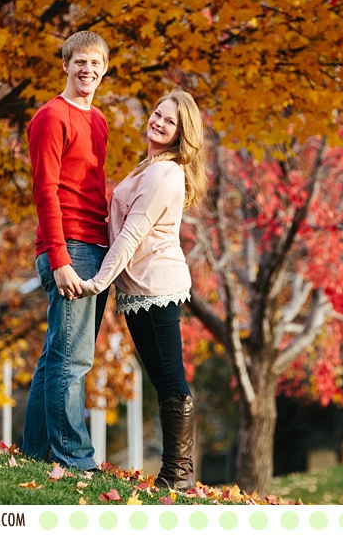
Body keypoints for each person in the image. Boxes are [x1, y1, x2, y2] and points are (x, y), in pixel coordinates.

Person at [78, 88, 208, 490]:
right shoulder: (148, 166)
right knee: (162, 378)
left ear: (181, 133)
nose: (158, 122)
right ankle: (175, 472)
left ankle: (177, 474)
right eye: (157, 113)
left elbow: (133, 233)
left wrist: (98, 282)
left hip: (156, 287)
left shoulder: (163, 173)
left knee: (170, 379)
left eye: (170, 121)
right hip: (142, 289)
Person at [22, 30, 112, 472]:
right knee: (73, 360)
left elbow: (93, 189)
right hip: (69, 247)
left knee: (57, 355)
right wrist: (59, 259)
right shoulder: (50, 116)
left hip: (94, 246)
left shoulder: (98, 121)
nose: (88, 70)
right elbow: (46, 191)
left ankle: (35, 451)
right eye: (80, 62)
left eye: (96, 64)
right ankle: (75, 458)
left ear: (105, 70)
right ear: (66, 65)